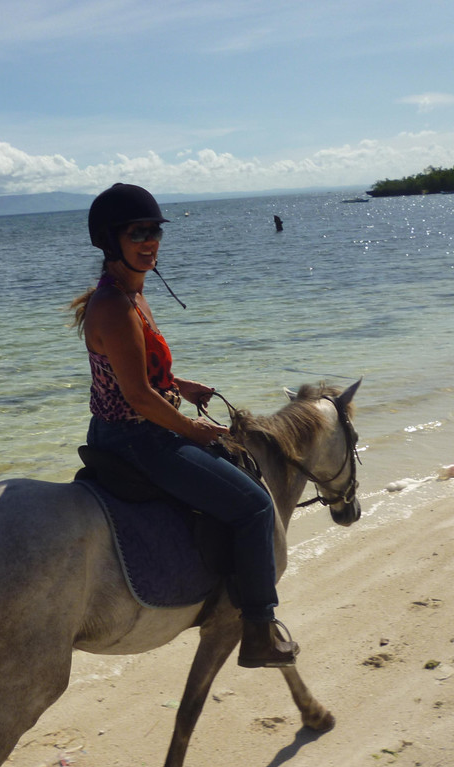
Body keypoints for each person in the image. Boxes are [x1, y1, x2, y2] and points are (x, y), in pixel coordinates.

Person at [70, 183, 299, 668]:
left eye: (155, 231)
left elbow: (138, 374)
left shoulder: (132, 296)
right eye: (137, 233)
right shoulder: (114, 307)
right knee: (256, 507)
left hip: (134, 429)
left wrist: (182, 386)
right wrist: (189, 429)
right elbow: (137, 396)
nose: (150, 241)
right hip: (137, 438)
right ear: (110, 241)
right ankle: (259, 630)